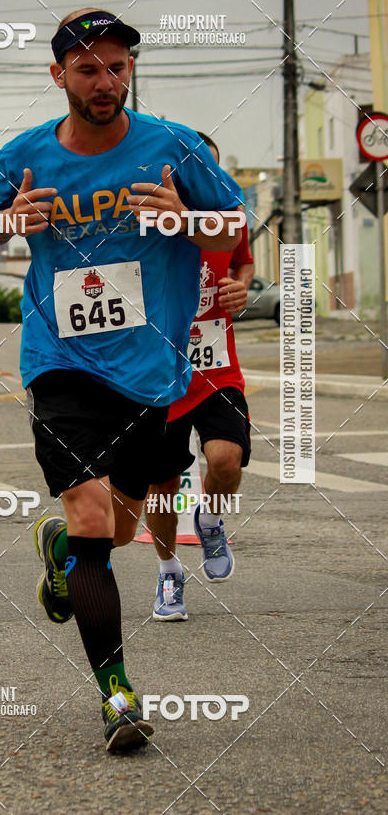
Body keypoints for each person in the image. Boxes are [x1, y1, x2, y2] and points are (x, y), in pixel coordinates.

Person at [0, 8, 243, 752]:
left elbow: (234, 225)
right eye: (87, 69)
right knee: (93, 519)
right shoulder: (26, 153)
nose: (104, 82)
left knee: (119, 525)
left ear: (130, 71)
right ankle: (117, 695)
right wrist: (8, 220)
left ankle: (60, 551)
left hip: (150, 374)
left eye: (116, 67)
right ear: (59, 74)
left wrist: (186, 219)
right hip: (61, 362)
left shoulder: (175, 147)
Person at [146, 133, 254, 621]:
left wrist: (241, 288)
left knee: (227, 461)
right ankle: (169, 571)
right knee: (162, 485)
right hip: (159, 374)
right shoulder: (150, 220)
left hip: (216, 368)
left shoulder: (229, 217)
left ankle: (209, 518)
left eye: (212, 171)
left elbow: (243, 262)